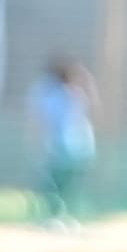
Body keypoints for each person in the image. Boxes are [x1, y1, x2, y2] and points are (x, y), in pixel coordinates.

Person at [31, 55, 96, 220]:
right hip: (80, 148)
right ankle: (62, 215)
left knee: (53, 185)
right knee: (66, 186)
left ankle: (55, 216)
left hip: (61, 148)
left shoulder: (52, 95)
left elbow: (44, 121)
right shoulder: (75, 94)